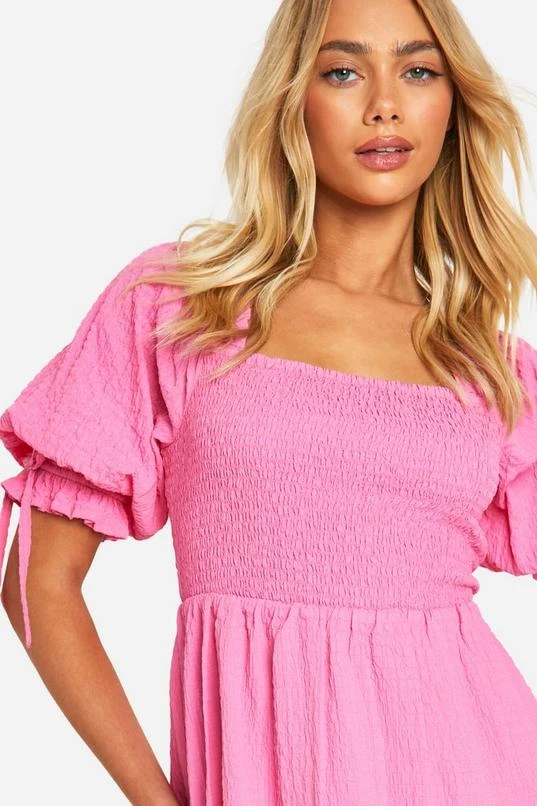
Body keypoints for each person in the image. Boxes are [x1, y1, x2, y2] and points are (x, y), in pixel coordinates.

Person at [2, 0, 537, 803]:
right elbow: (36, 580)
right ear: (293, 99)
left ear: (453, 107)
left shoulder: (492, 371)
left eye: (418, 71)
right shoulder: (183, 308)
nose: (384, 103)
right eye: (343, 71)